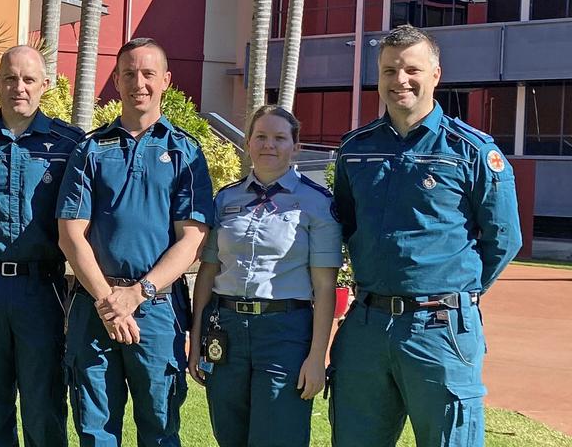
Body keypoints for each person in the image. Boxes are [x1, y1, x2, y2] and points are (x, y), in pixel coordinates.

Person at [329, 25, 521, 447]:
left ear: (436, 74)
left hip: (441, 329)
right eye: (389, 70)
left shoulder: (470, 150)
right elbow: (346, 224)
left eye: (412, 69)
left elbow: (503, 239)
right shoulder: (355, 150)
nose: (400, 80)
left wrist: (455, 291)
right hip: (366, 326)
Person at [57, 37, 214, 447]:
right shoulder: (90, 149)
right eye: (128, 73)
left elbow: (193, 239)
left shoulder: (184, 152)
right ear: (115, 80)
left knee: (160, 431)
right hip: (95, 307)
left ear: (166, 80)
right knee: (94, 432)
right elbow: (71, 235)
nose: (138, 82)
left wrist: (137, 295)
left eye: (147, 74)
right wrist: (110, 300)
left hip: (158, 311)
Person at [188, 105, 341, 447]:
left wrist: (317, 358)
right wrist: (197, 339)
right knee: (229, 433)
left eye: (279, 138)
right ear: (248, 142)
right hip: (225, 329)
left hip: (284, 332)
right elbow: (208, 271)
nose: (268, 145)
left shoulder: (316, 203)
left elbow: (325, 286)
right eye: (260, 136)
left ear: (295, 146)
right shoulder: (225, 199)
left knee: (278, 435)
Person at [0, 45, 83, 447]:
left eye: (29, 79)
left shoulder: (70, 144)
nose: (19, 87)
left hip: (41, 289)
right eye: (10, 78)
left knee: (44, 406)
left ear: (45, 85)